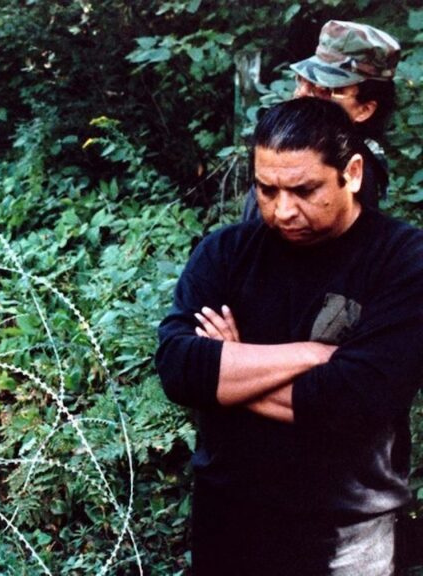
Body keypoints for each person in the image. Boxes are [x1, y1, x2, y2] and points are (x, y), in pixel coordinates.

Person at [157, 98, 423, 575]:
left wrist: (231, 367)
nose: (282, 211)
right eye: (266, 189)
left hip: (346, 536)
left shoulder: (402, 261)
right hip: (229, 520)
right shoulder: (226, 253)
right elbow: (180, 368)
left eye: (305, 190)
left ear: (353, 172)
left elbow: (357, 399)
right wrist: (311, 354)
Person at [241, 20, 400, 221]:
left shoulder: (352, 170)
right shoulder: (282, 148)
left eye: (323, 90)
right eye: (302, 80)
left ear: (365, 109)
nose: (301, 94)